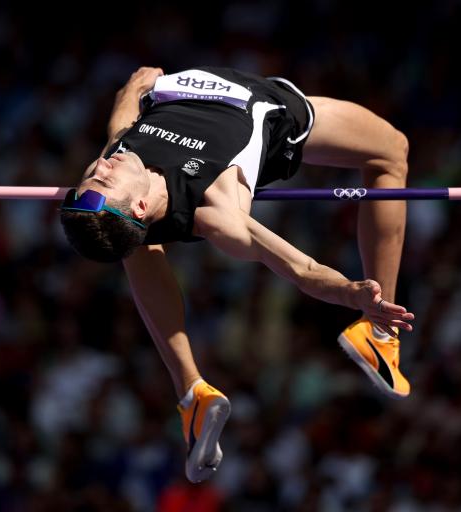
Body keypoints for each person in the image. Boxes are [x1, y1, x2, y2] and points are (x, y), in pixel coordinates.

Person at [60, 66, 415, 483]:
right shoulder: (217, 209)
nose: (102, 169)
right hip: (273, 105)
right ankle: (379, 335)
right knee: (392, 151)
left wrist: (134, 85)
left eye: (91, 179)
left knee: (133, 243)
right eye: (103, 182)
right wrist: (353, 293)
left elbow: (120, 119)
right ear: (138, 206)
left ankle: (191, 390)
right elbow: (301, 268)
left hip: (200, 92)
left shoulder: (115, 160)